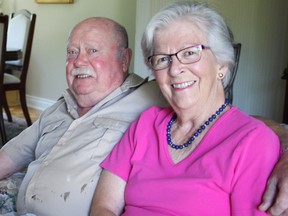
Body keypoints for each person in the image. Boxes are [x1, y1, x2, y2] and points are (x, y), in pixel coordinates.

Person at [90, 2, 281, 215]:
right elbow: (103, 206)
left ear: (222, 64)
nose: (175, 69)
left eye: (190, 53)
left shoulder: (253, 142)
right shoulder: (146, 124)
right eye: (163, 59)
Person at [0, 17, 167, 215]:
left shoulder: (150, 99)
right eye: (72, 52)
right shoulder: (59, 108)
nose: (78, 61)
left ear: (124, 60)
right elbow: (9, 157)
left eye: (92, 50)